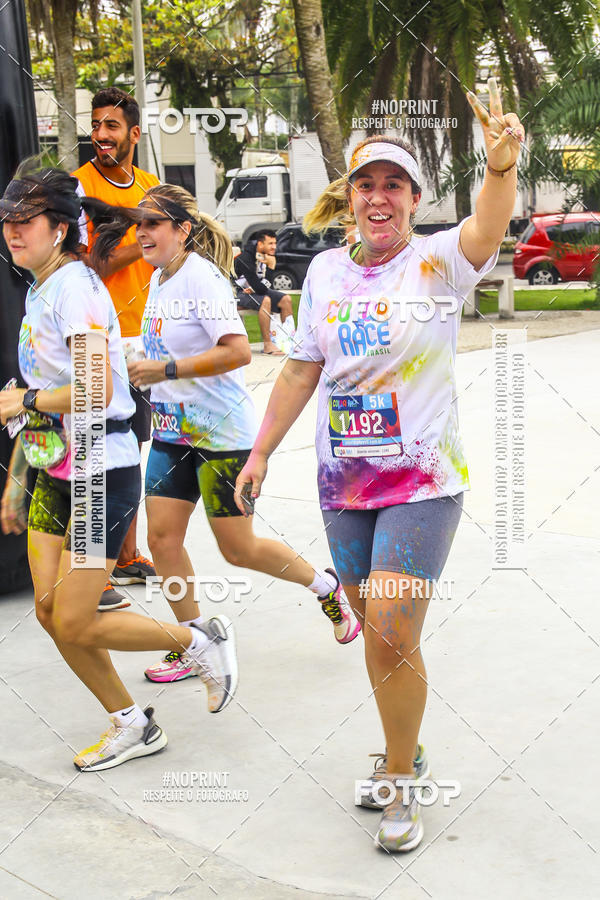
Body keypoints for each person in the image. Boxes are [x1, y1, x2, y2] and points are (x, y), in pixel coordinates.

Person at [234, 80, 524, 852]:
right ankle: (407, 743)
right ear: (351, 197)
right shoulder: (325, 273)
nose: (380, 197)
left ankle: (401, 777)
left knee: (393, 629)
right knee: (375, 631)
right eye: (367, 183)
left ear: (414, 197)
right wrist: (261, 450)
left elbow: (487, 229)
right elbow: (300, 369)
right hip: (344, 484)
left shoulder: (436, 262)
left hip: (423, 482)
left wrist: (500, 170)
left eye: (394, 184)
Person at [0, 162, 238, 771]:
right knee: (52, 613)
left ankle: (196, 640)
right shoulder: (42, 286)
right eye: (6, 220)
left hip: (96, 472)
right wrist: (19, 472)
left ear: (59, 228)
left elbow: (95, 387)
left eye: (24, 220)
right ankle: (131, 723)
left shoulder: (76, 288)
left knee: (78, 617)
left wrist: (22, 401)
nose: (11, 231)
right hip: (55, 469)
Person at [86, 183, 361, 685]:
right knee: (163, 540)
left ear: (182, 230)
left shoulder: (202, 279)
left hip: (222, 439)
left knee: (239, 548)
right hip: (173, 434)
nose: (142, 233)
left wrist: (166, 369)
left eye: (153, 224)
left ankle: (325, 587)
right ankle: (197, 643)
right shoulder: (161, 278)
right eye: (139, 224)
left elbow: (236, 351)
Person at [73, 86, 160, 610]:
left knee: (132, 450)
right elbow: (93, 264)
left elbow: (176, 249)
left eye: (111, 127)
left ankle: (127, 554)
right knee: (94, 455)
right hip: (94, 341)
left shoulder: (151, 186)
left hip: (144, 341)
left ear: (133, 133)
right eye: (95, 125)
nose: (100, 136)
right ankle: (95, 572)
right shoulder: (78, 187)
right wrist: (147, 238)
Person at [233, 230, 294, 355]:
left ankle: (289, 341)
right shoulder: (245, 258)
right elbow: (260, 288)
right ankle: (268, 345)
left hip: (255, 292)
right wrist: (271, 267)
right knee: (266, 300)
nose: (274, 247)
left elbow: (262, 287)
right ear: (260, 244)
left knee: (286, 299)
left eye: (275, 243)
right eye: (270, 243)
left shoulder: (265, 256)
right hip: (238, 294)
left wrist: (258, 286)